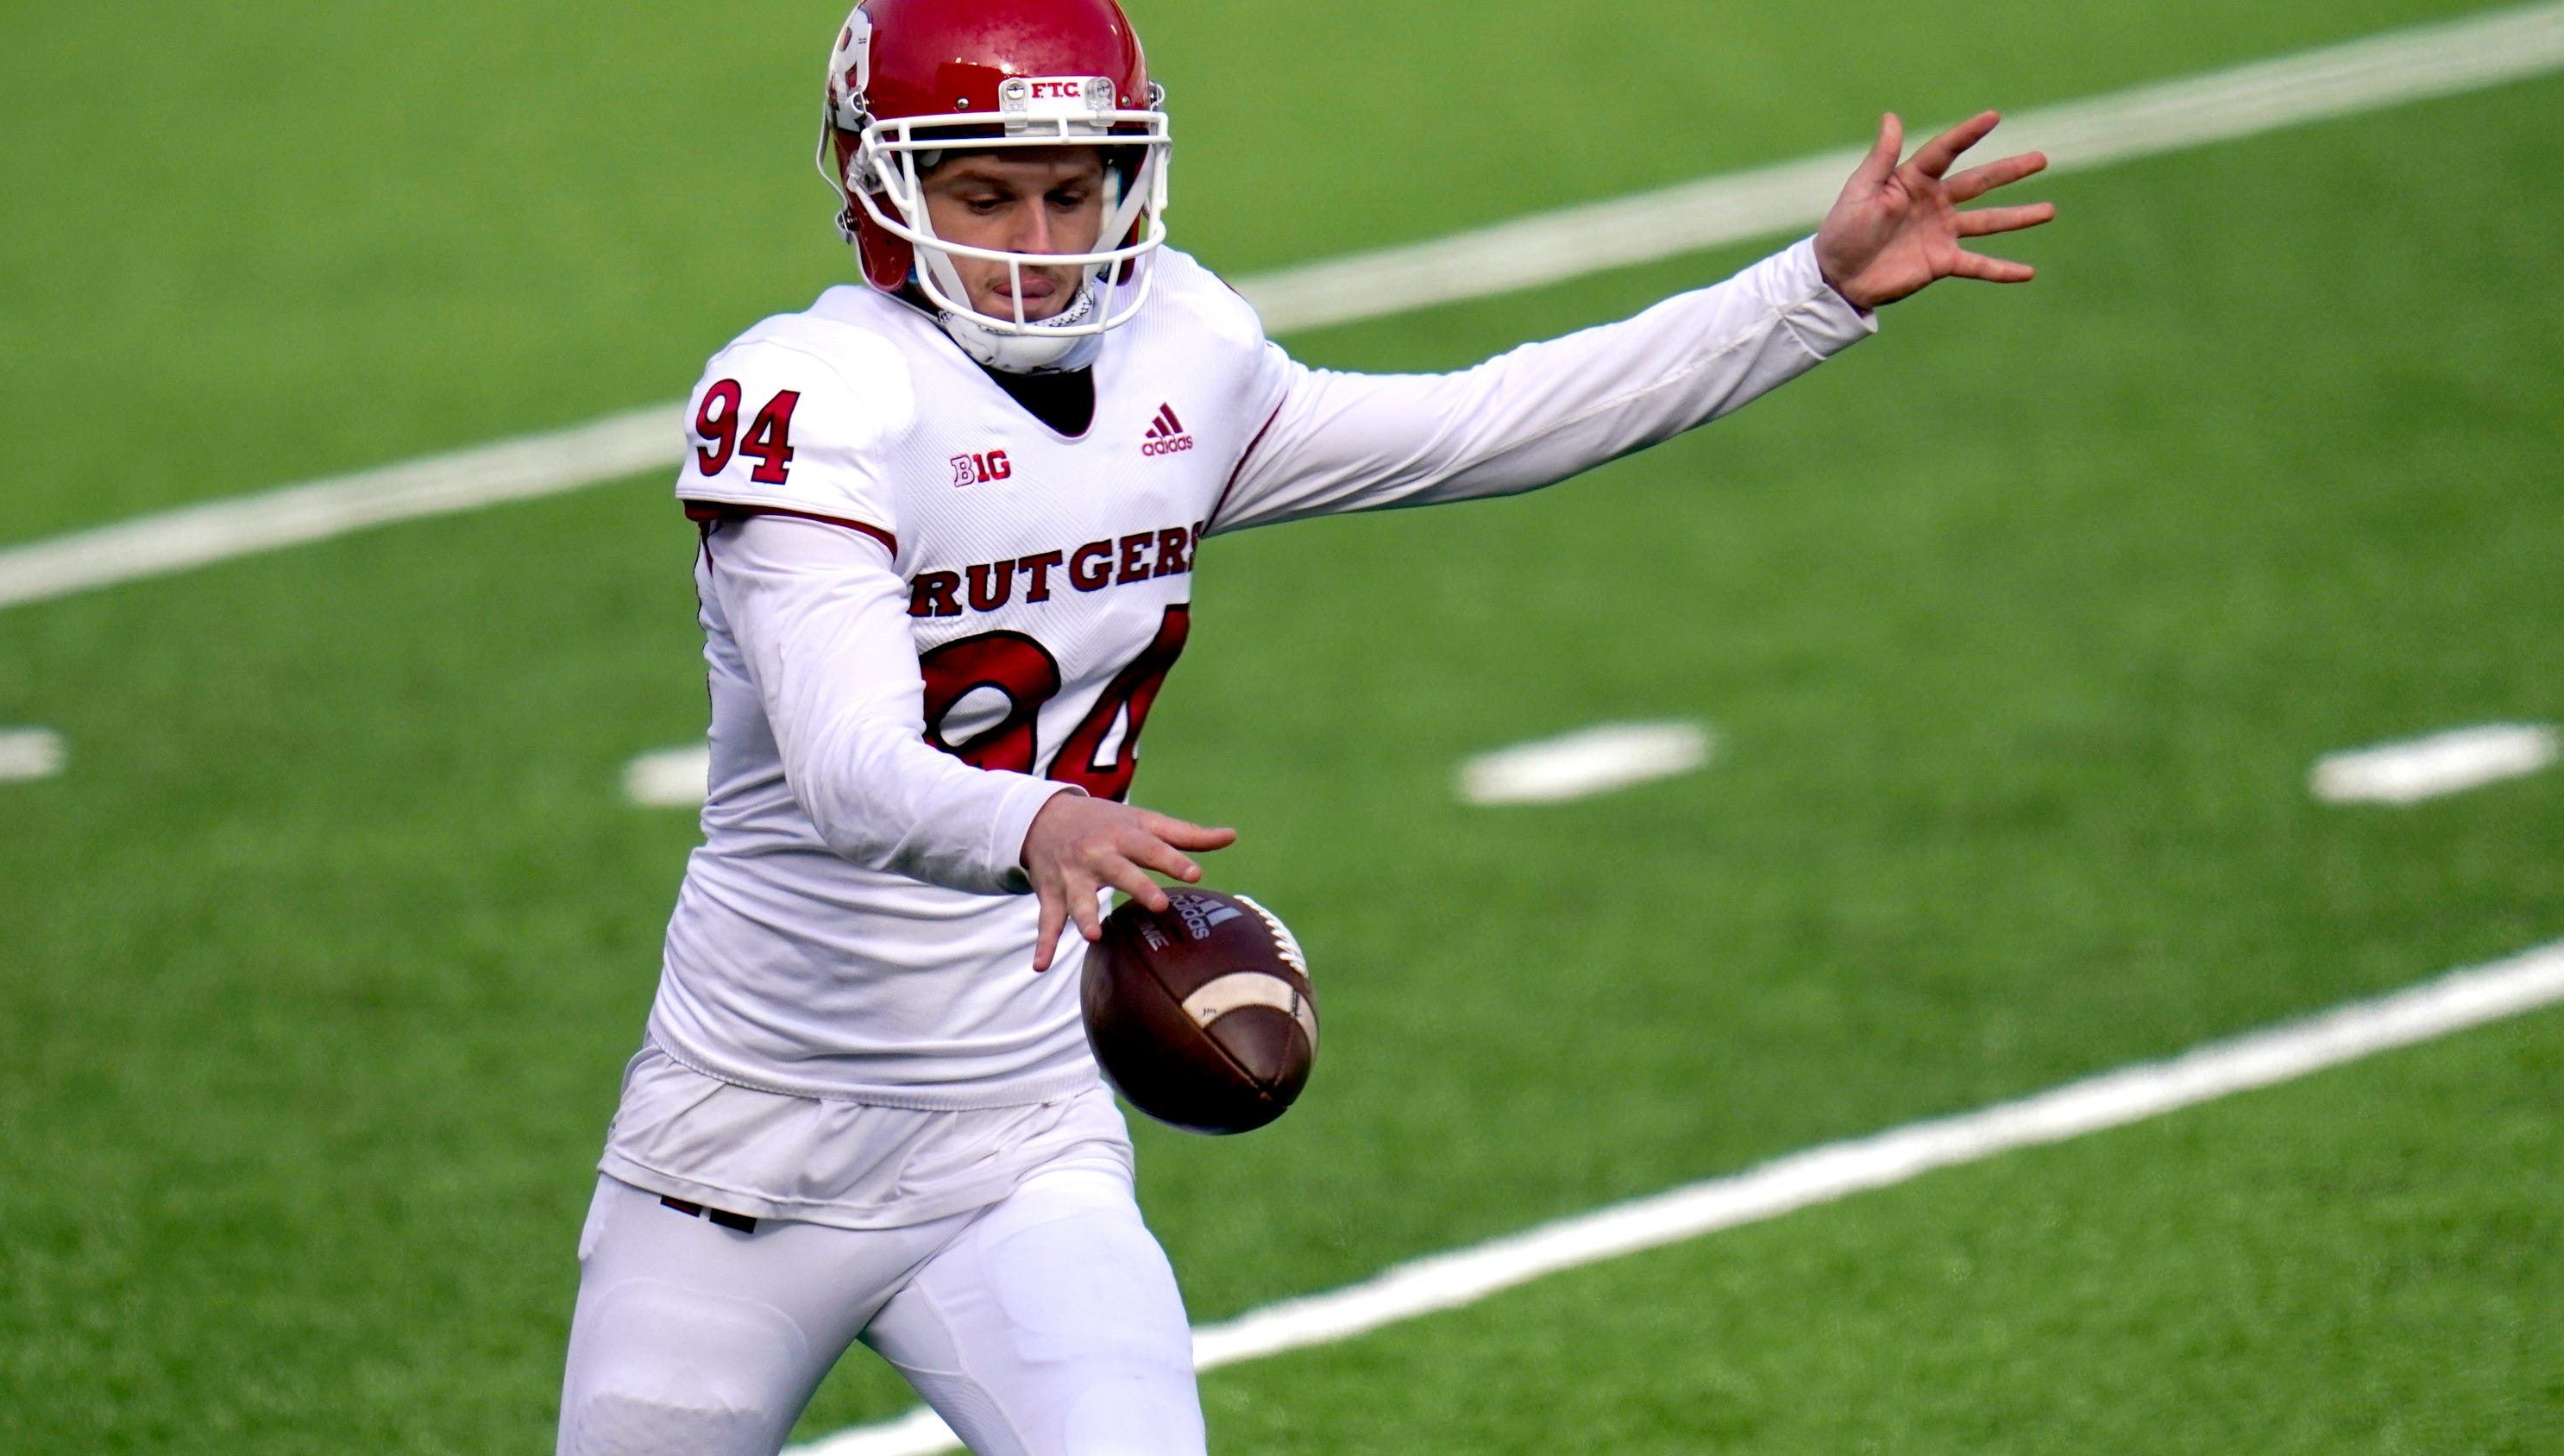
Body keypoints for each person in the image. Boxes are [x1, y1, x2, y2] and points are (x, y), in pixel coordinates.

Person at [556, 0, 2053, 1450]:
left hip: (1016, 1136)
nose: (1034, 243)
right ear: (883, 182)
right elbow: (846, 770)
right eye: (984, 193)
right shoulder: (812, 391)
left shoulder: (1180, 355)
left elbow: (1482, 424)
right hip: (741, 1152)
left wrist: (1809, 290)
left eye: (1070, 193)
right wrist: (1041, 822)